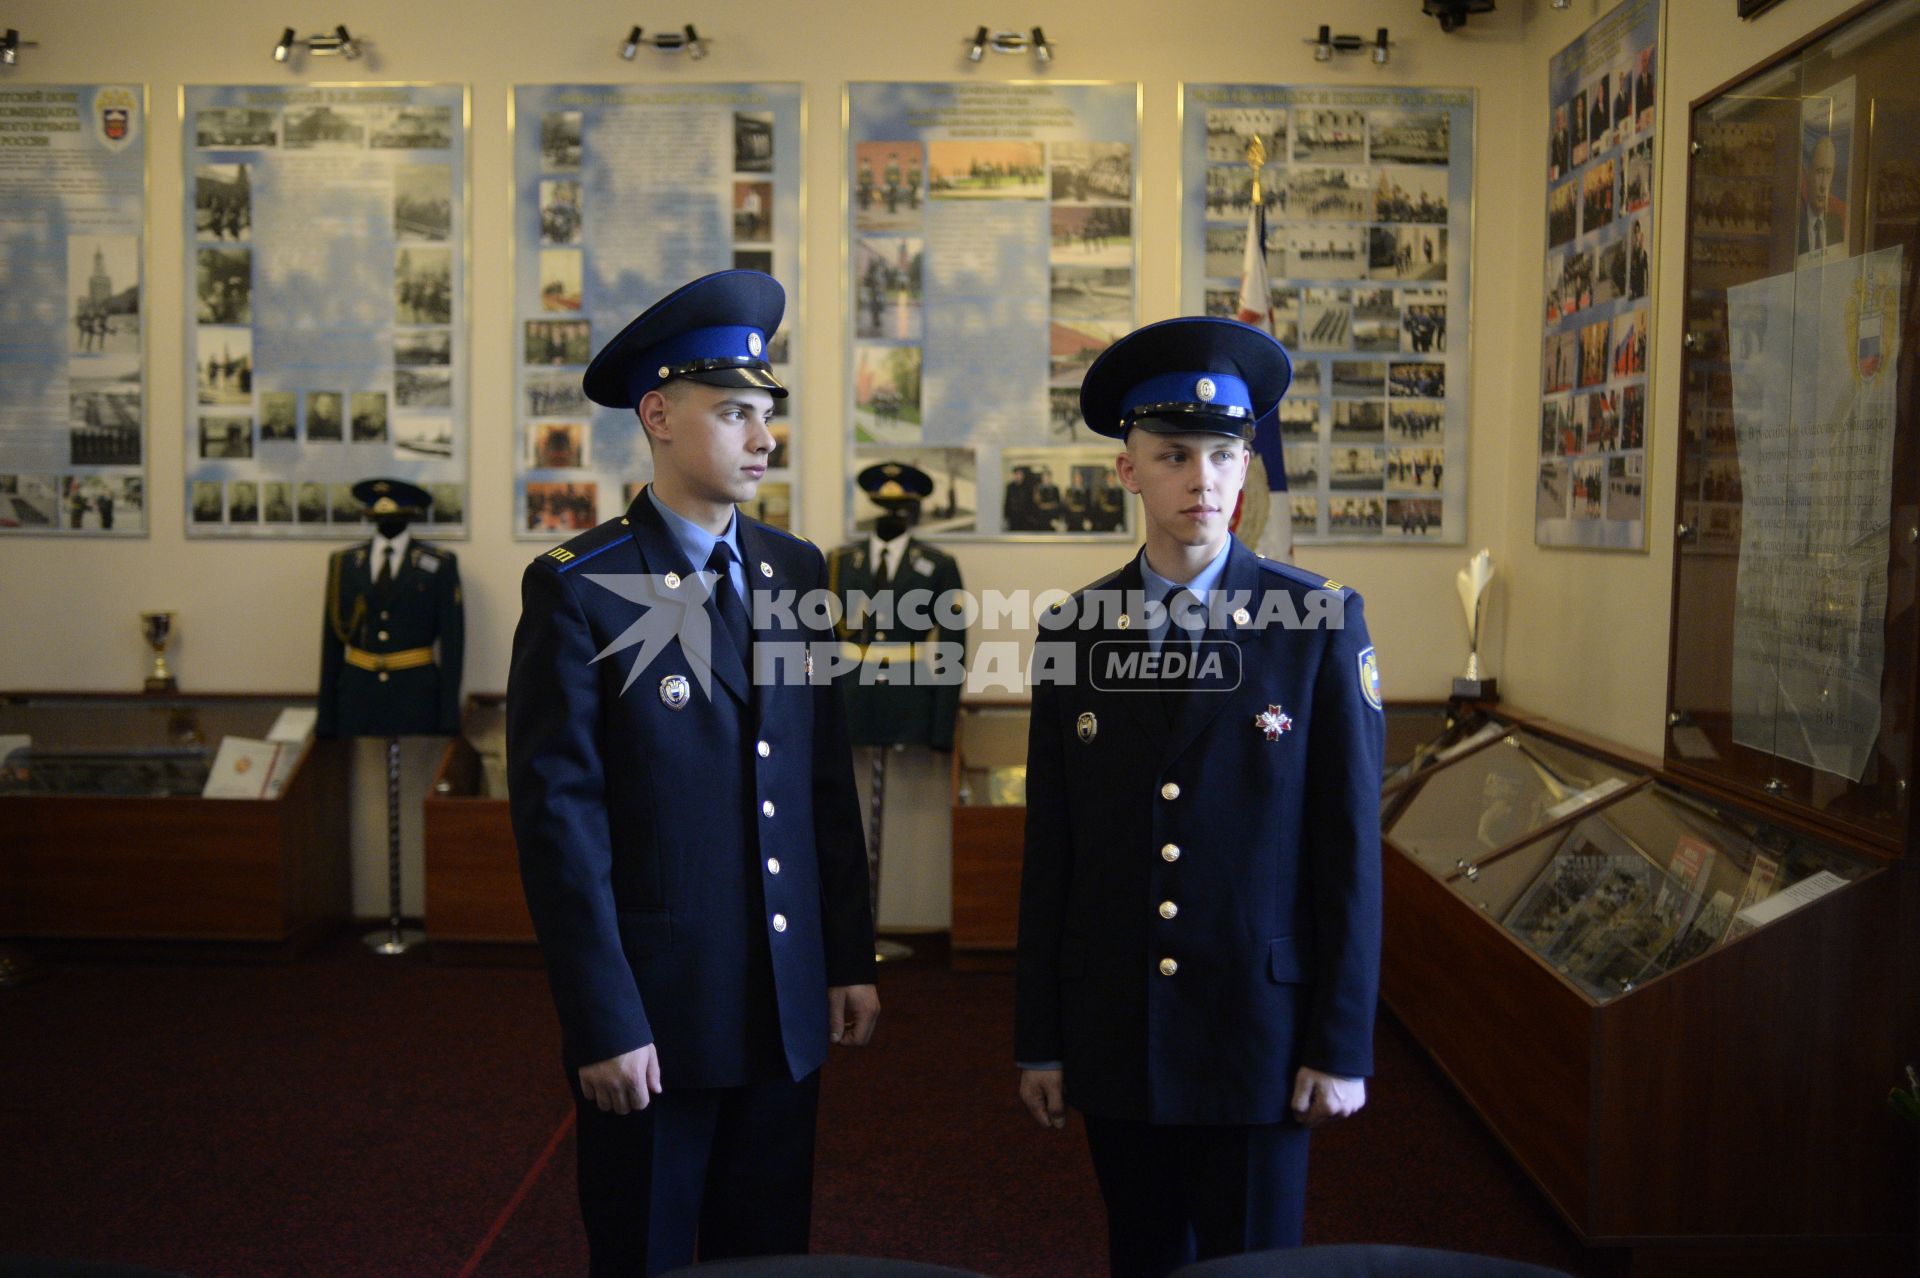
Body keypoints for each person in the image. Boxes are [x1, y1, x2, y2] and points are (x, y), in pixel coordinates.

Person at [506, 270, 878, 1277]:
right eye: (733, 414)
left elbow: (817, 784)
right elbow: (561, 831)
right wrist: (604, 1020)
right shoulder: (584, 589)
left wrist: (846, 956)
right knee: (649, 1250)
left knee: (769, 1253)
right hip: (658, 1017)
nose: (762, 439)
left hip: (782, 1002)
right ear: (660, 416)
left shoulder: (794, 570)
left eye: (766, 415)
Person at [1015, 316, 1384, 1278]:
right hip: (1120, 1027)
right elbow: (1052, 854)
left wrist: (1341, 1045)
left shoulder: (1318, 623)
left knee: (1254, 1264)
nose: (1205, 481)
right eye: (1175, 455)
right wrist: (1040, 1041)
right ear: (1128, 469)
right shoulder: (1074, 633)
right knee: (1140, 1255)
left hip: (1256, 1035)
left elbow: (1348, 853)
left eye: (1225, 455)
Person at [316, 477, 463, 739]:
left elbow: (453, 644)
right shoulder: (345, 563)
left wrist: (449, 715)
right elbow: (332, 642)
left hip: (415, 694)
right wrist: (326, 717)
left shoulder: (439, 564)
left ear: (411, 514)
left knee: (417, 777)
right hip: (357, 694)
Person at [1797, 133, 1846, 256]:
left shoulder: (1837, 224)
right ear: (1808, 174)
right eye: (1820, 172)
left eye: (1828, 172)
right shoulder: (1795, 227)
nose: (1824, 185)